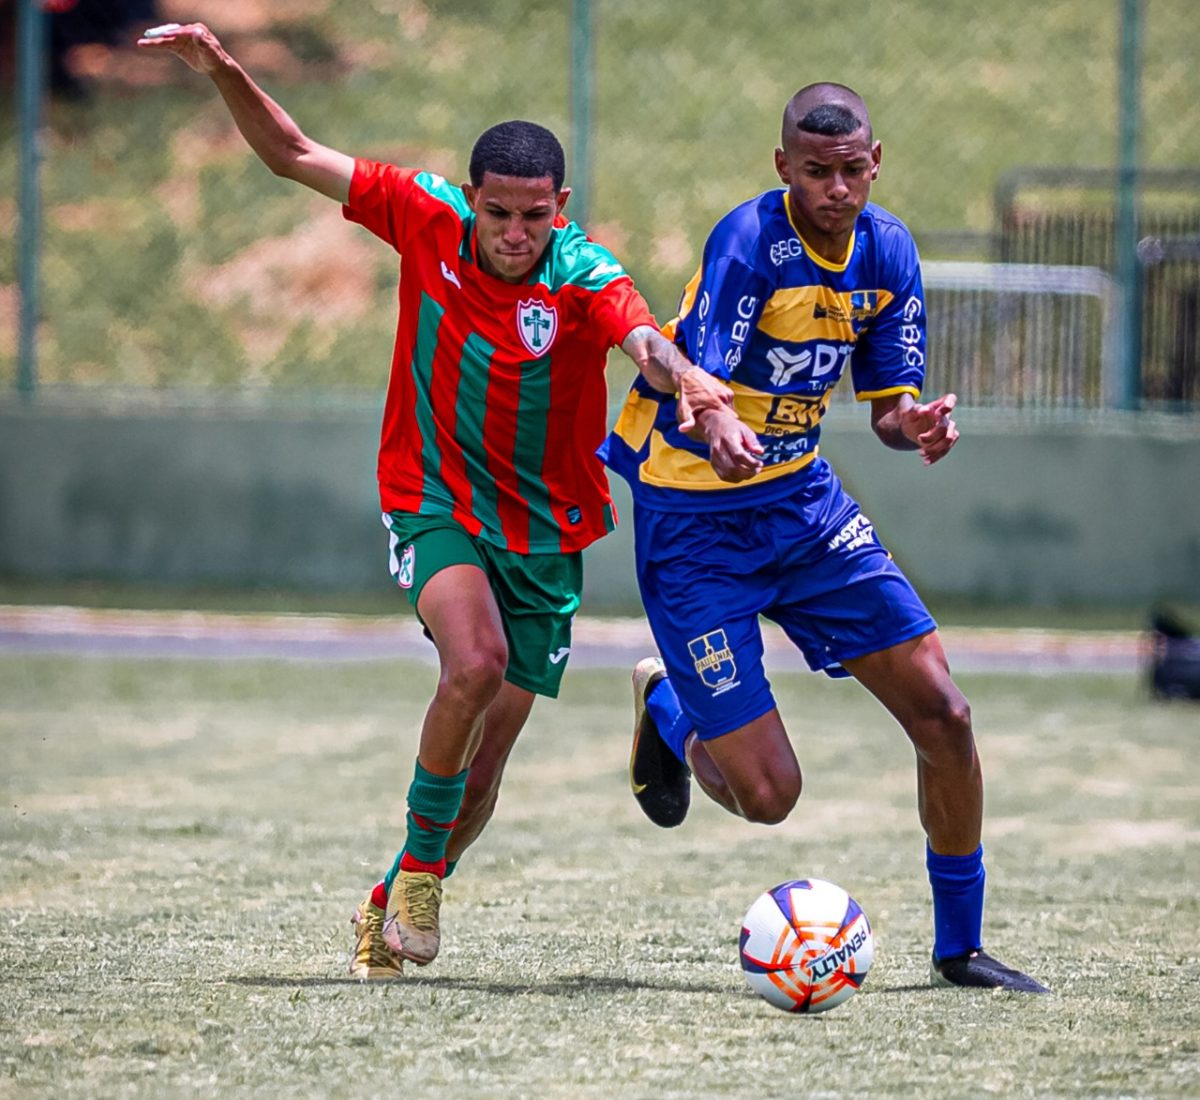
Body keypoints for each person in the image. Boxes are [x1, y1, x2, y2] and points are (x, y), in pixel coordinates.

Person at [137, 21, 730, 981]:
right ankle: (420, 872)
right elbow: (293, 153)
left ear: (560, 207)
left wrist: (688, 379)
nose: (514, 234)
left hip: (545, 533)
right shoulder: (423, 214)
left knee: (482, 775)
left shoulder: (584, 275)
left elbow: (643, 342)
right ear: (472, 198)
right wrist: (225, 70)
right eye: (498, 213)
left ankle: (391, 897)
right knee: (474, 662)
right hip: (434, 498)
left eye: (534, 216)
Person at [600, 82, 1048, 992]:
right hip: (693, 522)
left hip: (804, 507)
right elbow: (700, 383)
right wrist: (718, 424)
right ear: (784, 167)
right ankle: (671, 708)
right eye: (815, 172)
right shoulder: (748, 241)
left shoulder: (889, 250)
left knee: (946, 715)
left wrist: (912, 423)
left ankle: (960, 948)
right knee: (768, 797)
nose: (836, 189)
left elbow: (885, 409)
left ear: (875, 163)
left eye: (851, 170)